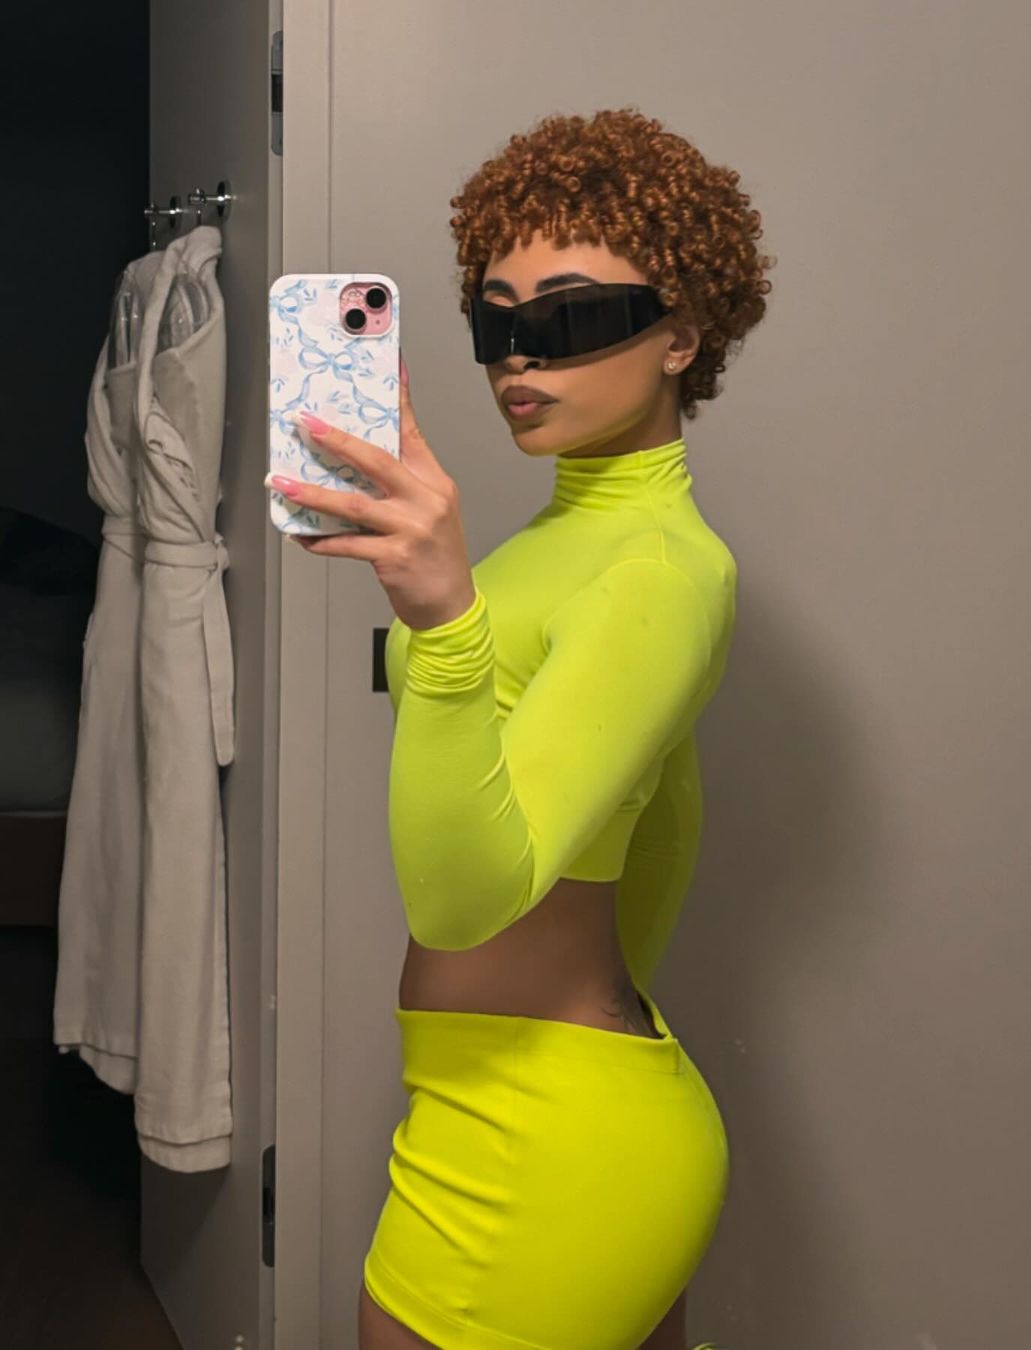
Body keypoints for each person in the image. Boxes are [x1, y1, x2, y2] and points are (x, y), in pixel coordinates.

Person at [269, 106, 774, 1350]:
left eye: (574, 316)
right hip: (503, 1096)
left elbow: (462, 906)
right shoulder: (566, 543)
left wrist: (445, 626)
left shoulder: (662, 567)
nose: (520, 357)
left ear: (682, 337)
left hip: (546, 1130)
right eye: (497, 321)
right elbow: (657, 828)